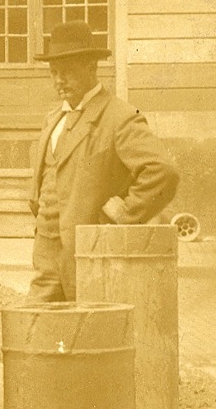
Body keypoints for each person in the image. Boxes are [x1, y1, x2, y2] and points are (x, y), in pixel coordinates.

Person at [29, 20, 179, 303]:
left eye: (68, 72)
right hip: (46, 264)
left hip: (90, 259)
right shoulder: (52, 120)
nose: (59, 81)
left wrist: (123, 214)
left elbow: (163, 171)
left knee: (90, 338)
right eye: (54, 72)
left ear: (91, 68)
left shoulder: (120, 117)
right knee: (38, 335)